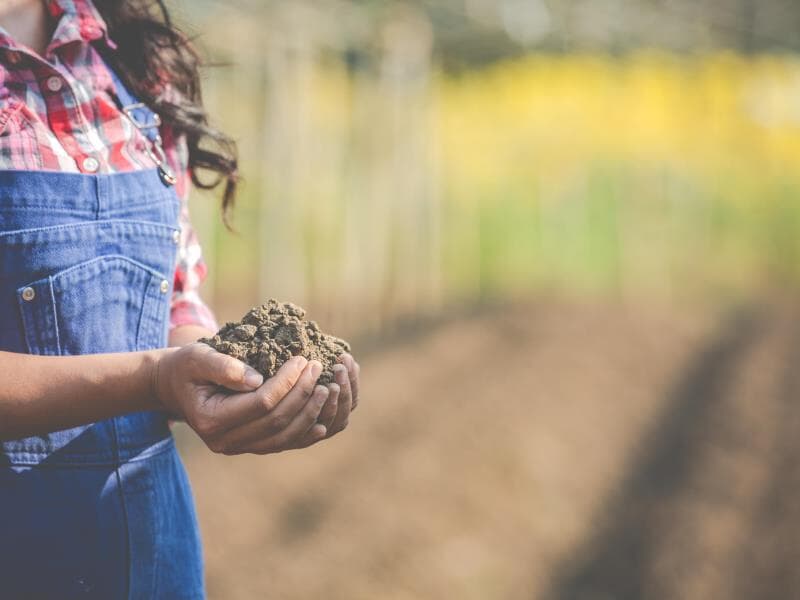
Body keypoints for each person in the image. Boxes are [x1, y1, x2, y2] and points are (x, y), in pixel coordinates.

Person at [0, 0, 361, 597]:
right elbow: (155, 368)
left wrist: (231, 374)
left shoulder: (129, 59)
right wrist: (156, 381)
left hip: (148, 554)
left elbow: (171, 303)